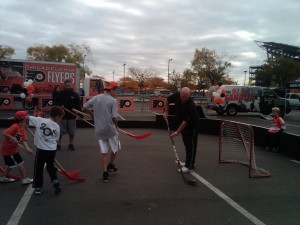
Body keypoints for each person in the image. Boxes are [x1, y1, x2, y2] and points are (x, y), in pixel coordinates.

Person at [83, 81, 119, 183]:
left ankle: (105, 173)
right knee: (115, 147)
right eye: (116, 90)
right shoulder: (113, 101)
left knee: (103, 152)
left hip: (99, 129)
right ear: (111, 89)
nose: (116, 92)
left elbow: (84, 106)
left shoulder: (96, 97)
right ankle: (110, 165)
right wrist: (117, 126)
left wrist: (91, 114)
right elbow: (114, 118)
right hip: (110, 129)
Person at [27, 106, 65, 195]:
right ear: (56, 116)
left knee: (38, 167)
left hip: (41, 149)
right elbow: (56, 139)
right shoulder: (57, 126)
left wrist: (24, 123)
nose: (59, 119)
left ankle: (38, 187)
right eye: (60, 117)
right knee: (50, 167)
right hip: (52, 150)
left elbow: (26, 117)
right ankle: (55, 182)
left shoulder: (40, 120)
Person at [163, 87, 199, 173]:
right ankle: (187, 162)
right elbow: (167, 101)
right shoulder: (176, 95)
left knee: (190, 144)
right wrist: (166, 112)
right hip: (182, 122)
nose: (183, 98)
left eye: (186, 97)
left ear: (189, 96)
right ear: (180, 94)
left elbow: (185, 122)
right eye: (182, 96)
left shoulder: (191, 105)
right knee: (186, 143)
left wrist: (176, 132)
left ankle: (190, 166)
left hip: (192, 125)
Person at [0, 111, 34, 184]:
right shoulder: (15, 126)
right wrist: (12, 137)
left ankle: (3, 177)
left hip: (14, 149)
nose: (27, 118)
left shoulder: (22, 127)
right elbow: (4, 133)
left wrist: (27, 149)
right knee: (19, 163)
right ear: (22, 119)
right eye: (26, 117)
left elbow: (24, 140)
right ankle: (24, 179)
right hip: (9, 150)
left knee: (9, 165)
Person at [53, 79, 82, 151]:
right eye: (67, 85)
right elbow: (55, 102)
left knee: (72, 132)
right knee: (60, 132)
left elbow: (78, 106)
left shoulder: (75, 94)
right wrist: (60, 105)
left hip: (72, 116)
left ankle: (71, 144)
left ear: (71, 85)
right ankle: (58, 144)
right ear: (65, 85)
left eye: (69, 85)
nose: (68, 86)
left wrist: (80, 114)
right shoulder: (60, 93)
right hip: (62, 116)